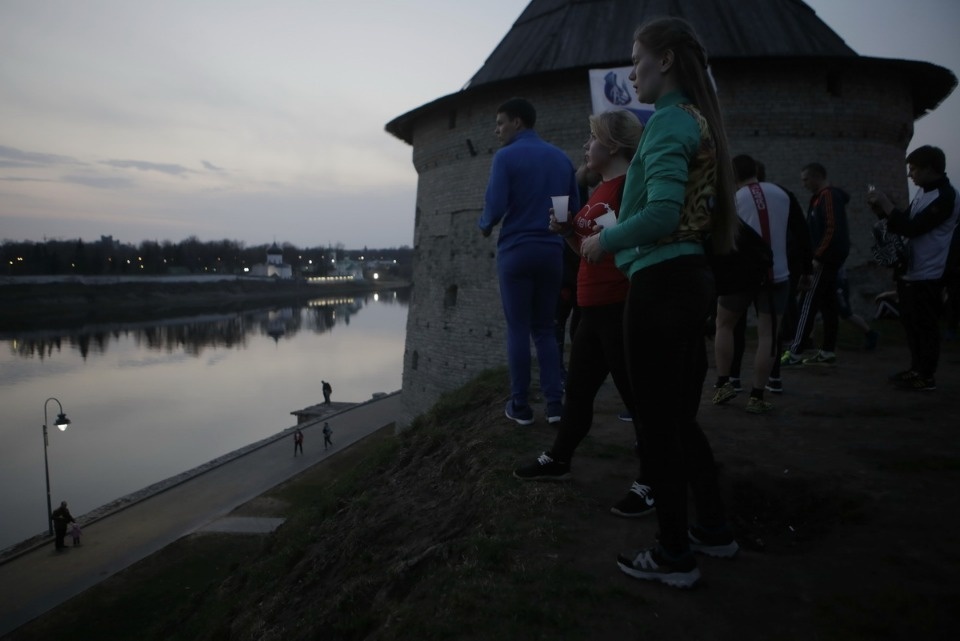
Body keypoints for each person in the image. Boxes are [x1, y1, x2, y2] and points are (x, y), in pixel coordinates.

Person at [580, 17, 740, 588]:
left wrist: (605, 240)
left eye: (637, 57)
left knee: (657, 426)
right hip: (681, 278)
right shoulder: (690, 120)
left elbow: (663, 216)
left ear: (666, 60)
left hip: (663, 283)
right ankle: (714, 530)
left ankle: (675, 554)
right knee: (675, 418)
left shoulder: (670, 122)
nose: (631, 71)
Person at [514, 109, 656, 517]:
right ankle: (559, 459)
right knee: (578, 391)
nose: (585, 146)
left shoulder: (629, 187)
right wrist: (567, 234)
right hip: (591, 307)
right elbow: (593, 253)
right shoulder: (599, 190)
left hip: (619, 306)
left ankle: (651, 478)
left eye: (591, 139)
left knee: (638, 399)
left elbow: (630, 246)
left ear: (611, 145)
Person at [478, 97, 580, 425]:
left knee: (519, 329)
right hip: (551, 254)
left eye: (500, 123)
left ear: (517, 122)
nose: (497, 131)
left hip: (517, 252)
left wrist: (483, 225)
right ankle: (554, 405)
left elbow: (495, 206)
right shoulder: (562, 160)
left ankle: (520, 406)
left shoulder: (506, 157)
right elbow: (571, 210)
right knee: (546, 330)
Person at [868, 145, 960, 390]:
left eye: (914, 169)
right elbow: (903, 224)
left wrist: (887, 204)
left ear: (930, 169)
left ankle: (926, 375)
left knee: (925, 327)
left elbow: (913, 228)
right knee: (911, 325)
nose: (910, 175)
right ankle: (915, 369)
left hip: (929, 273)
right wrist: (883, 214)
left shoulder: (947, 197)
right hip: (911, 270)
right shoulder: (923, 193)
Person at [712, 155, 794, 413]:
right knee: (768, 336)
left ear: (732, 175)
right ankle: (757, 395)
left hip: (742, 276)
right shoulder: (782, 194)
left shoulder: (734, 199)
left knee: (724, 325)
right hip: (776, 274)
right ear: (756, 170)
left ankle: (724, 383)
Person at [781, 162, 851, 367]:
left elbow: (831, 229)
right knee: (829, 306)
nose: (803, 184)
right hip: (827, 260)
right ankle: (827, 351)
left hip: (824, 261)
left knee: (807, 304)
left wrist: (817, 257)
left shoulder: (828, 196)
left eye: (805, 179)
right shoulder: (819, 199)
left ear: (817, 177)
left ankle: (795, 352)